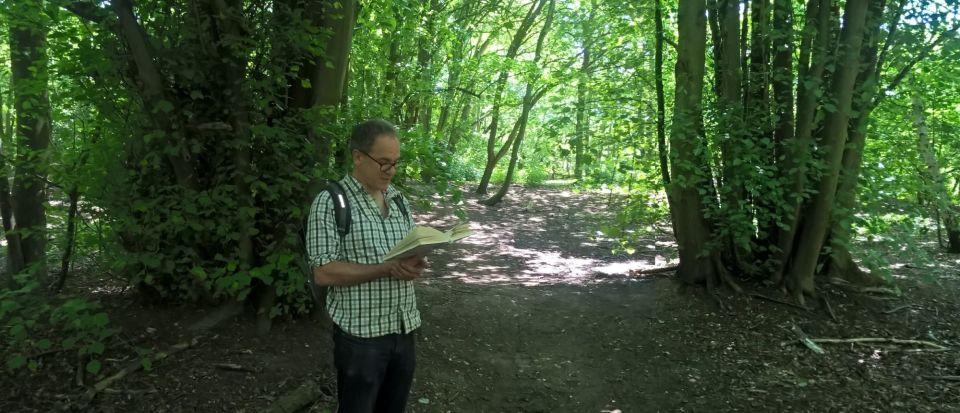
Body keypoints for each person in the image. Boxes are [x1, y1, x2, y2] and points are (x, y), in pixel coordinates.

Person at [306, 119, 427, 413]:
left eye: (396, 163)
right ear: (358, 156)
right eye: (384, 162)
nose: (391, 171)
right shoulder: (331, 202)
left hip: (404, 327)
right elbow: (323, 272)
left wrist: (415, 262)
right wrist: (385, 268)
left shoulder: (398, 201)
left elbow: (406, 252)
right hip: (361, 338)